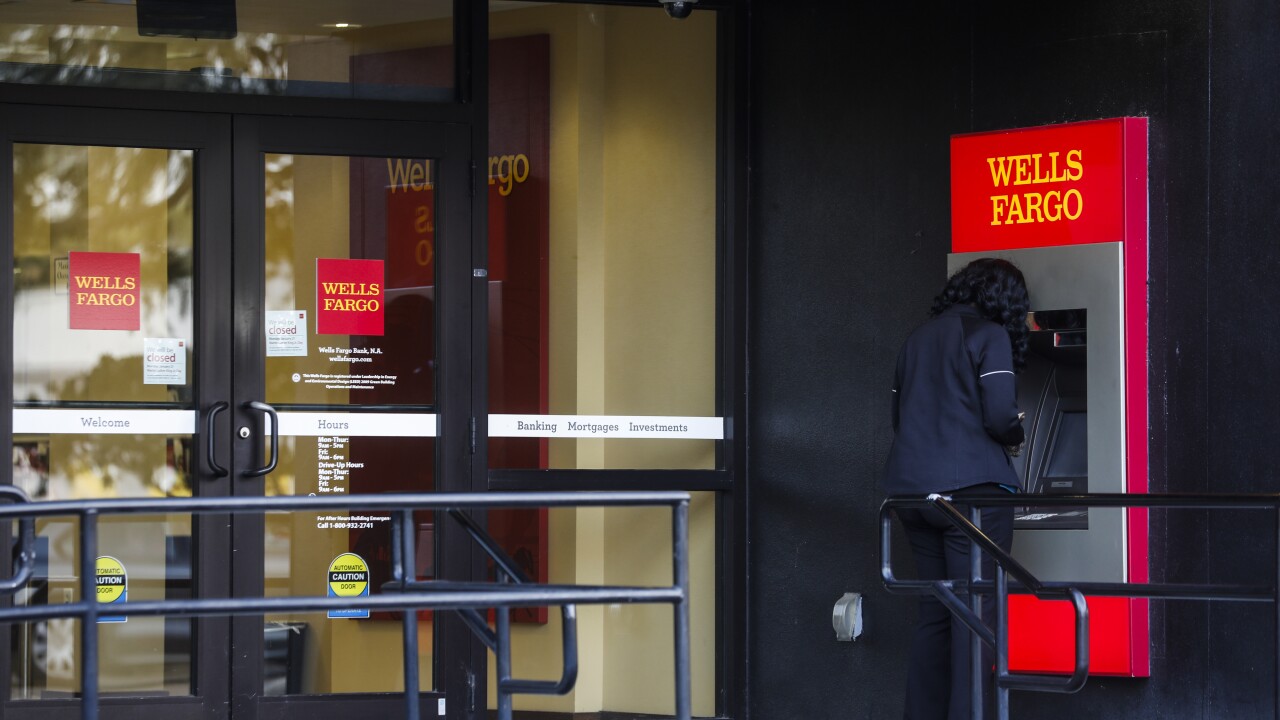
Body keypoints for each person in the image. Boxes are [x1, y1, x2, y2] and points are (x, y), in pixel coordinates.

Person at [883, 258, 1030, 720]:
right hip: (972, 496)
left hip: (911, 495)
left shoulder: (916, 340)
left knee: (935, 616)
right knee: (974, 620)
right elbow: (1001, 416)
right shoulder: (989, 335)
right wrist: (1017, 435)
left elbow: (900, 419)